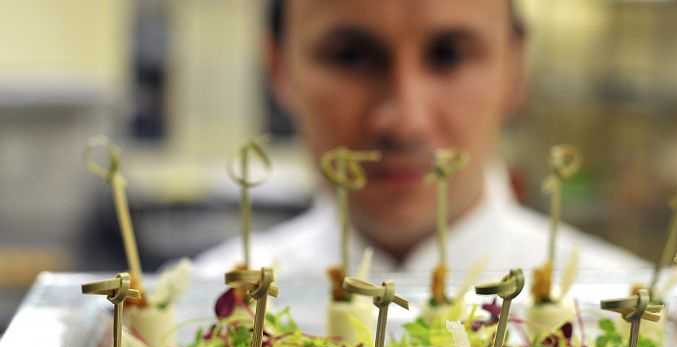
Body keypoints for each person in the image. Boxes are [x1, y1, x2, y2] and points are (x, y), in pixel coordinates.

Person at [196, 0, 645, 279]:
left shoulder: (639, 318)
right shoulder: (188, 323)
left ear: (515, 69)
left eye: (448, 55)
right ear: (279, 68)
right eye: (350, 56)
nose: (403, 121)